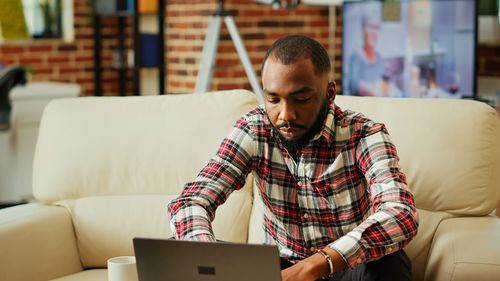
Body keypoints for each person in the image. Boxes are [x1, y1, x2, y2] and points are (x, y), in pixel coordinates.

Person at [168, 35, 419, 281]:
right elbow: (191, 201)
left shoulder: (364, 134)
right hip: (277, 270)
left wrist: (314, 265)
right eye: (273, 99)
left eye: (301, 99)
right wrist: (206, 257)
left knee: (390, 262)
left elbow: (400, 213)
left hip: (345, 266)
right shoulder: (254, 129)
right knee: (178, 249)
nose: (285, 115)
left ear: (330, 93)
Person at [347, 13, 387, 97]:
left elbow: (384, 85)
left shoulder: (379, 58)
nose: (373, 32)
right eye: (370, 27)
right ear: (363, 30)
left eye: (376, 27)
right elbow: (354, 87)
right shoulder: (355, 58)